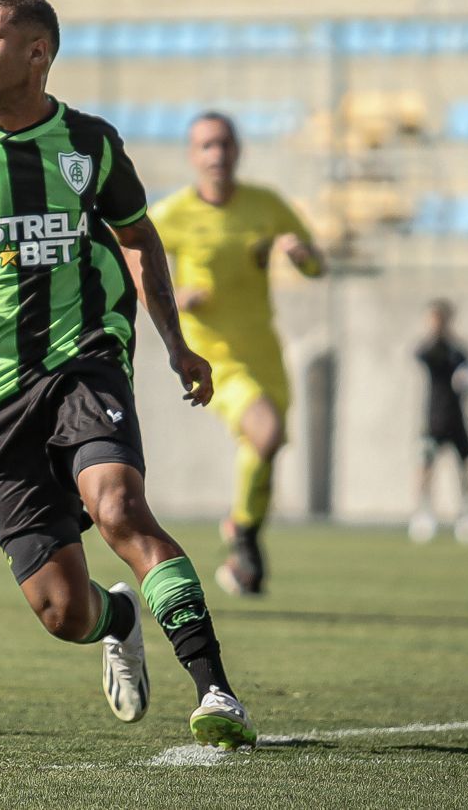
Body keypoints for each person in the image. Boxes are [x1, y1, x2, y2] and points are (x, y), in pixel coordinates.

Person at [0, 0, 256, 749]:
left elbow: (138, 238)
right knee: (62, 613)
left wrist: (174, 342)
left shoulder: (90, 142)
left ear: (37, 52)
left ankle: (216, 692)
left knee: (120, 509)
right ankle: (117, 617)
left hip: (86, 362)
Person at [149, 112, 323, 598]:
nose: (217, 154)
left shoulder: (265, 205)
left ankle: (241, 539)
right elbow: (134, 269)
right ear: (192, 155)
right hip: (214, 358)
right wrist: (176, 297)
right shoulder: (172, 214)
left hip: (264, 349)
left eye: (224, 144)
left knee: (266, 446)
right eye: (206, 146)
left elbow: (316, 263)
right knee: (266, 433)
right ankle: (244, 536)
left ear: (238, 151)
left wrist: (302, 256)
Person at [409, 299, 468, 545]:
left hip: (457, 418)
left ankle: (467, 515)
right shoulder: (430, 349)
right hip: (434, 419)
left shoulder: (459, 351)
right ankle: (423, 513)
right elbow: (421, 355)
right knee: (426, 467)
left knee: (464, 467)